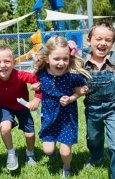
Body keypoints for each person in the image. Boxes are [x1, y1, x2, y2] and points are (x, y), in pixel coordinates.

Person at [33, 36, 90, 178]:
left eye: (65, 59)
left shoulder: (72, 76)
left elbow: (79, 92)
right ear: (47, 59)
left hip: (67, 117)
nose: (61, 63)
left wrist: (71, 98)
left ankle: (67, 167)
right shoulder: (41, 74)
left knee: (65, 151)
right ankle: (53, 155)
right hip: (49, 117)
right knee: (47, 150)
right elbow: (38, 87)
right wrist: (36, 88)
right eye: (56, 59)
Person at [0, 45, 41, 171]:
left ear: (14, 62)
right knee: (5, 128)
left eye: (7, 61)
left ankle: (30, 154)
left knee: (30, 134)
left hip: (23, 107)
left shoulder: (21, 75)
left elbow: (39, 82)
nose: (3, 65)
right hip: (4, 107)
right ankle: (11, 153)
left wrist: (36, 99)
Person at [82, 22, 115, 179]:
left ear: (112, 43)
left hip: (113, 108)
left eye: (108, 40)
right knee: (93, 139)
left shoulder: (114, 63)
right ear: (89, 40)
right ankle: (96, 156)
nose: (103, 43)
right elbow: (71, 82)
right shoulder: (82, 64)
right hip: (92, 109)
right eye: (98, 39)